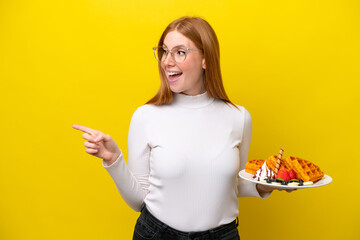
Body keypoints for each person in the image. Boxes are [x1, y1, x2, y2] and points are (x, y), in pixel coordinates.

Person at [73, 16, 277, 240]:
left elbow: (232, 184)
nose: (167, 61)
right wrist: (113, 159)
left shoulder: (238, 118)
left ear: (205, 59)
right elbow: (138, 200)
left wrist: (265, 185)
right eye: (164, 51)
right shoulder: (146, 116)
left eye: (180, 52)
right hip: (157, 234)